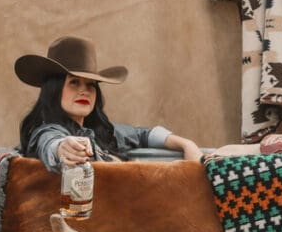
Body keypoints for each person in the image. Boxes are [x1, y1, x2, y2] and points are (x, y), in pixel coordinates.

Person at [15, 36, 202, 171]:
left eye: (90, 85)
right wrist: (62, 148)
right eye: (74, 82)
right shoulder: (46, 132)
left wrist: (187, 145)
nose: (84, 91)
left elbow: (143, 134)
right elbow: (50, 144)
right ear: (54, 90)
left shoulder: (102, 133)